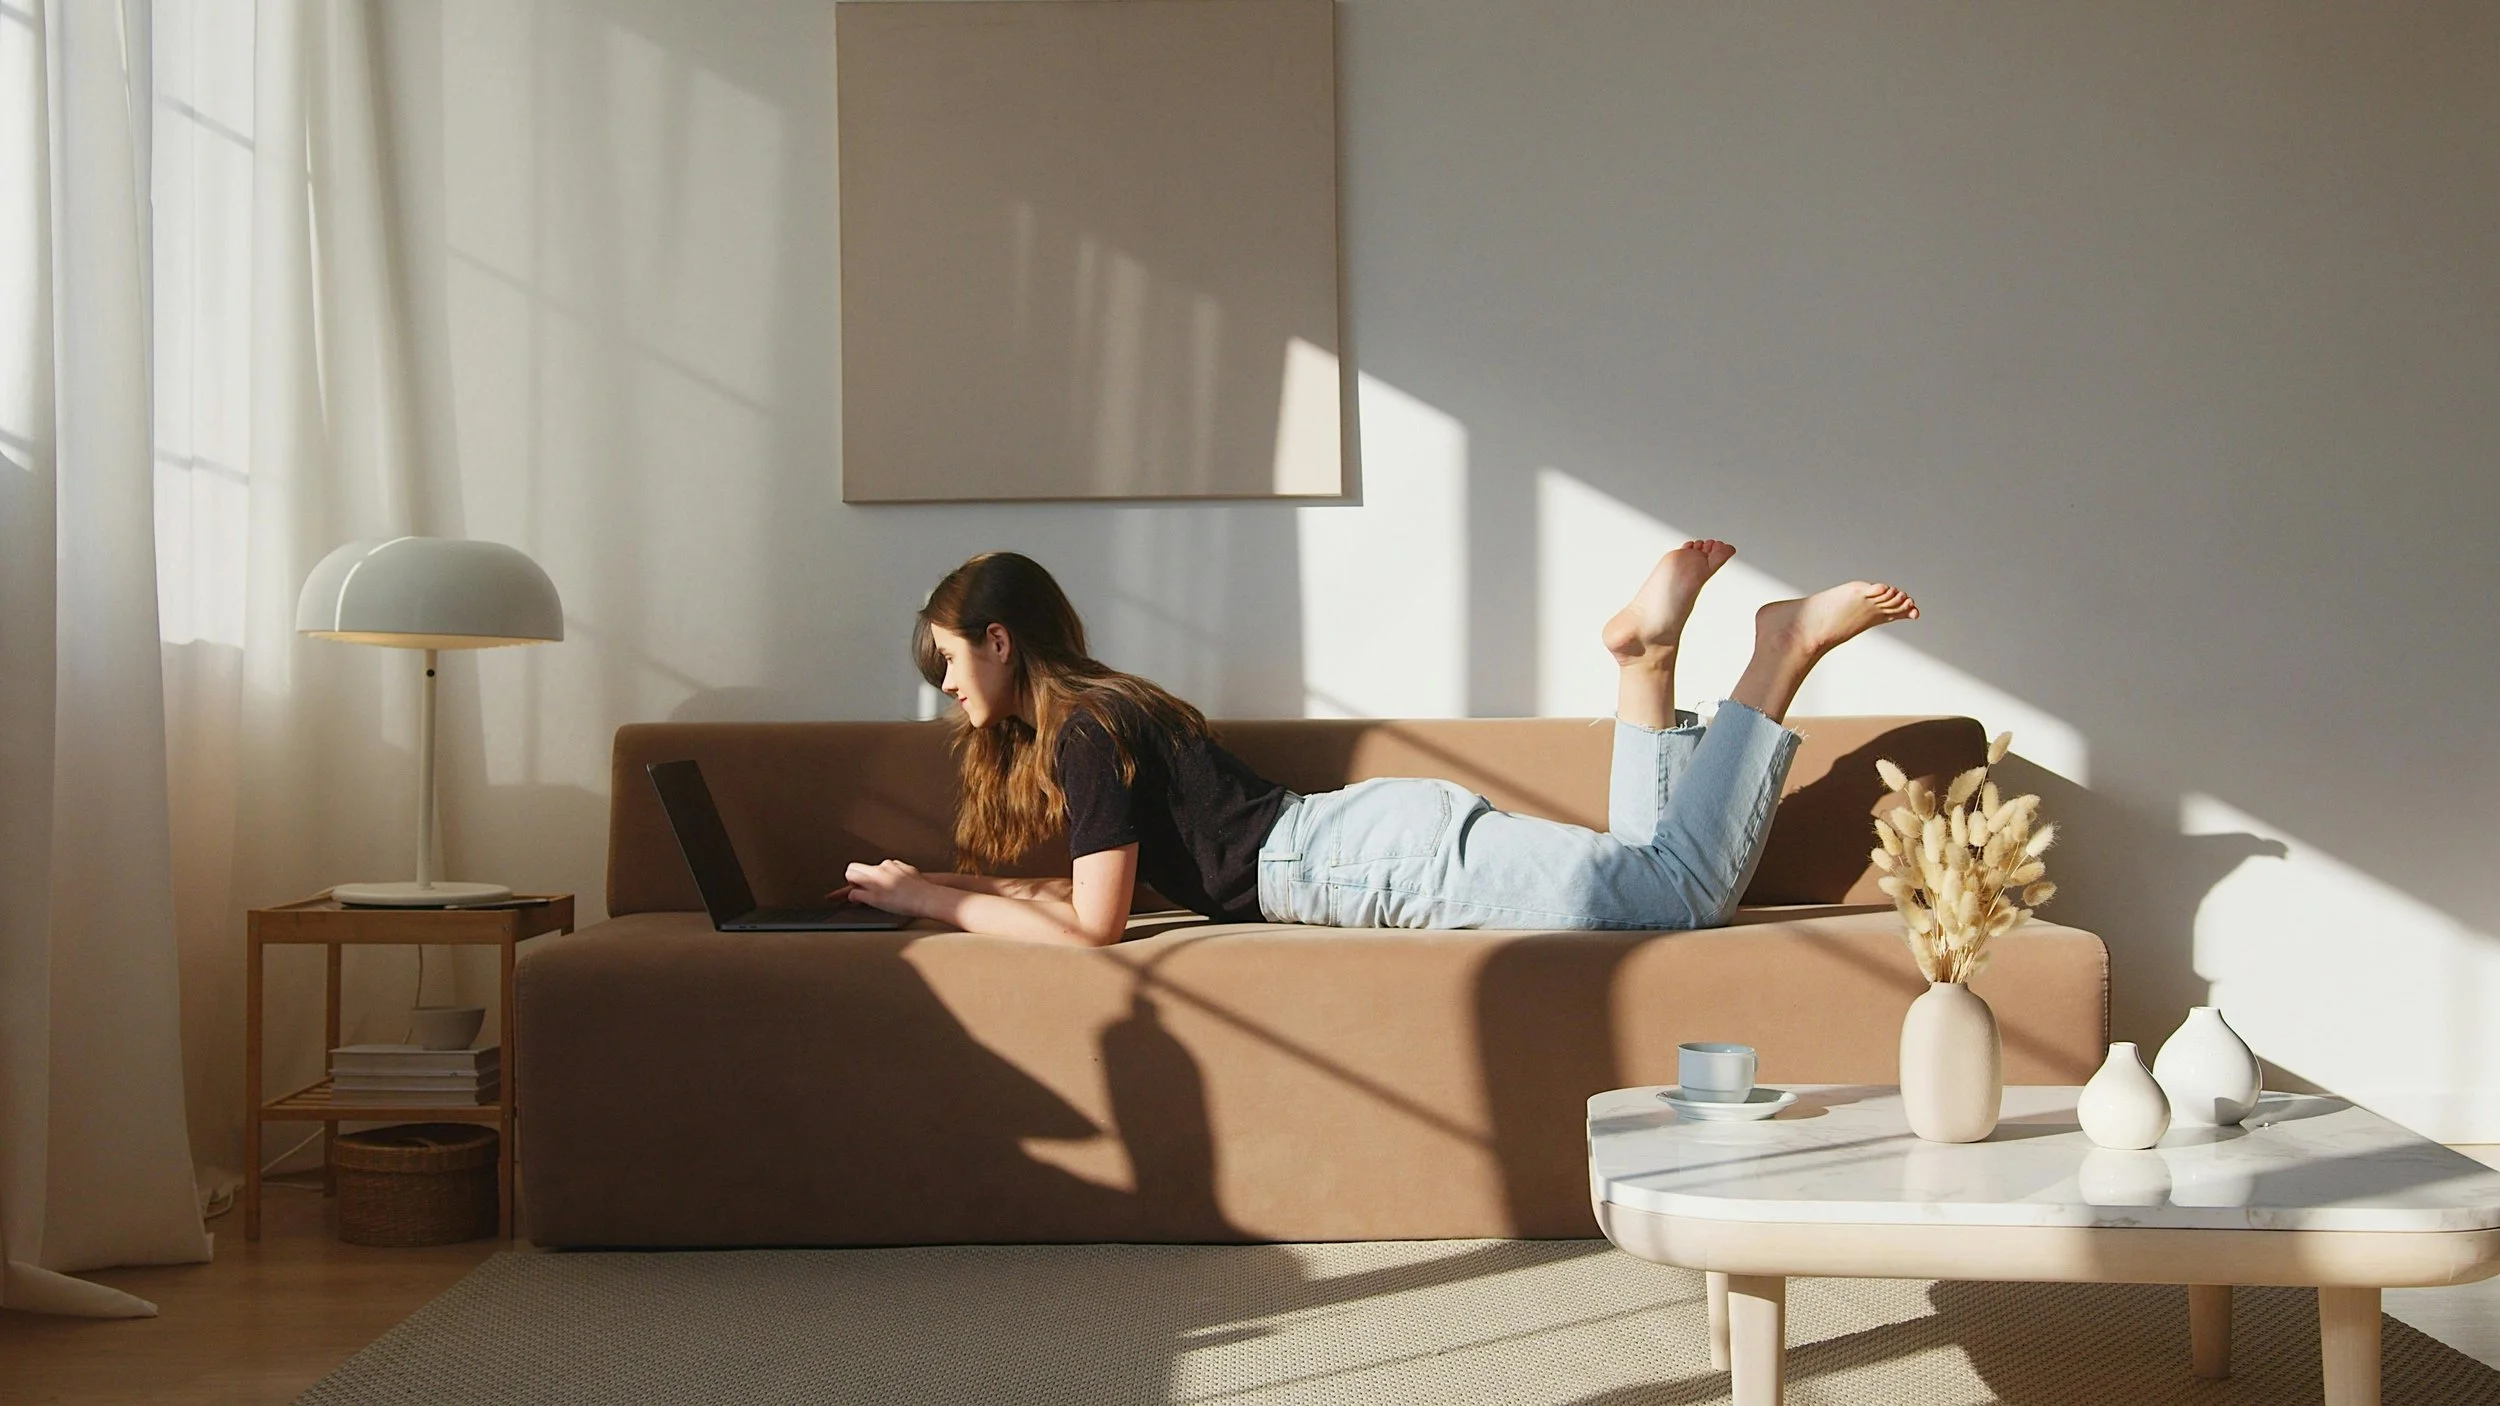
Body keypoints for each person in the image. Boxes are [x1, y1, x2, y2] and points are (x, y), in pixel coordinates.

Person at [834, 546, 1917, 946]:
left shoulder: (1082, 733)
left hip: (1357, 863)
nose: (942, 690)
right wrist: (924, 878)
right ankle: (1644, 660)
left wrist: (935, 903)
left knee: (1680, 893)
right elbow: (1080, 889)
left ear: (994, 637)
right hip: (1357, 845)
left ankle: (1778, 652)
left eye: (942, 661)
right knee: (1647, 871)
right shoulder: (1106, 709)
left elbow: (1097, 923)